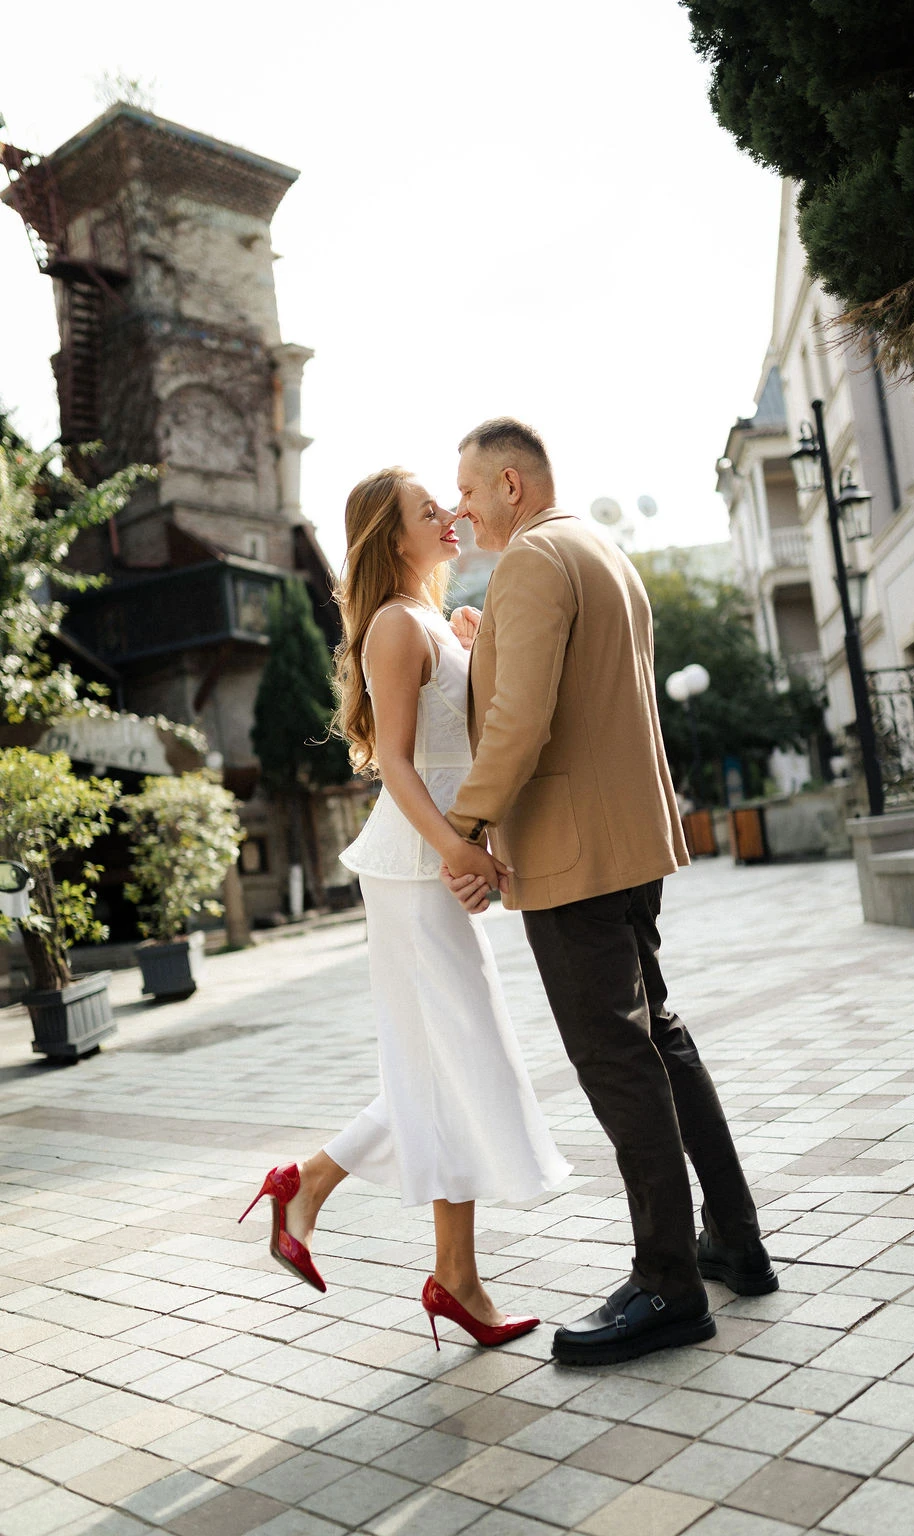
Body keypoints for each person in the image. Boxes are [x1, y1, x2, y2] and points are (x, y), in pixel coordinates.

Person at [440, 418, 776, 1367]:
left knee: (617, 1059)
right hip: (627, 846)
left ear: (510, 482)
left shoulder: (534, 562)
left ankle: (668, 1284)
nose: (459, 508)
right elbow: (567, 693)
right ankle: (735, 1240)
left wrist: (464, 828)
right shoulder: (597, 548)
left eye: (467, 489)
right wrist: (487, 640)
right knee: (659, 1037)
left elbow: (523, 721)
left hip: (574, 856)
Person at [240, 466, 571, 1350]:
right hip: (413, 866)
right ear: (394, 536)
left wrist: (466, 638)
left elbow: (458, 729)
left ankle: (394, 1240)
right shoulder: (392, 623)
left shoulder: (428, 619)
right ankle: (360, 1220)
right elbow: (394, 759)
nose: (452, 515)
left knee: (443, 1065)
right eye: (432, 511)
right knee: (457, 1060)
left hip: (435, 860)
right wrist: (460, 848)